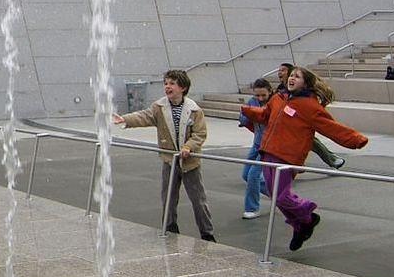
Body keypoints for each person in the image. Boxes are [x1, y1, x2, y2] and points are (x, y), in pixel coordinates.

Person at [241, 66, 368, 252]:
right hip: (268, 151)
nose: (292, 78)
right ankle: (300, 225)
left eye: (297, 76)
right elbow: (265, 115)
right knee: (275, 195)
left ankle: (307, 214)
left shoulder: (310, 106)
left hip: (287, 157)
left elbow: (331, 127)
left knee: (281, 195)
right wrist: (248, 111)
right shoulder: (278, 98)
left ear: (305, 83)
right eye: (291, 75)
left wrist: (356, 139)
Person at [113, 70, 215, 241]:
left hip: (190, 163)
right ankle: (169, 227)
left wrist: (188, 147)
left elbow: (200, 134)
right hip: (169, 161)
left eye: (172, 83)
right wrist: (125, 119)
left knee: (198, 200)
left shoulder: (194, 110)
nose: (168, 87)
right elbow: (144, 116)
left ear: (182, 87)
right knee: (168, 197)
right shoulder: (159, 107)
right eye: (166, 83)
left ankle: (207, 233)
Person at [276, 63, 345, 171]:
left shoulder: (302, 91)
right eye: (279, 70)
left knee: (311, 141)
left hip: (299, 124)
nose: (280, 72)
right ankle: (297, 165)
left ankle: (331, 160)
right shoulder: (281, 89)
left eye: (283, 70)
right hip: (285, 124)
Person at [239, 78, 274, 219]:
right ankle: (278, 195)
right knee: (246, 174)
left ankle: (252, 208)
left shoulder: (275, 103)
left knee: (253, 175)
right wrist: (246, 116)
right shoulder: (252, 101)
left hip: (268, 145)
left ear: (270, 92)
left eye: (263, 95)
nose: (260, 98)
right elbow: (243, 117)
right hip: (257, 143)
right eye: (257, 95)